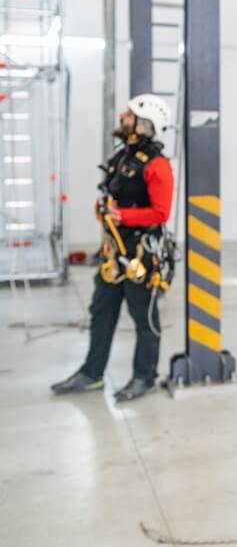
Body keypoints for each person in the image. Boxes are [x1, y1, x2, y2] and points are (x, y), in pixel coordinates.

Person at [51, 94, 175, 402]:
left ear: (144, 124)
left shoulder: (157, 166)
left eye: (129, 115)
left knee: (143, 317)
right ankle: (91, 373)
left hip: (140, 253)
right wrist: (103, 208)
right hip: (114, 253)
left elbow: (161, 213)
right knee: (101, 310)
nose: (122, 117)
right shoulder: (121, 158)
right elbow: (110, 194)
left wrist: (123, 216)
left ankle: (144, 377)